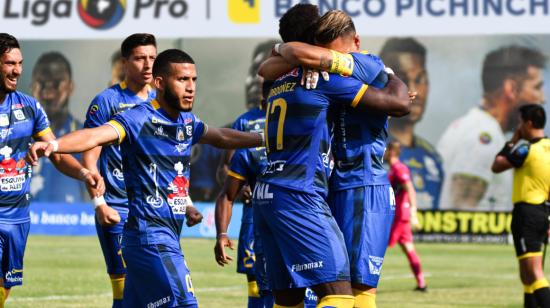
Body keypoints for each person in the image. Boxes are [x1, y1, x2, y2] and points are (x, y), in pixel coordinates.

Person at [27, 48, 264, 307]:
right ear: (160, 83)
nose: (190, 87)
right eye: (182, 79)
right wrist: (54, 145)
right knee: (185, 303)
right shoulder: (138, 118)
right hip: (152, 238)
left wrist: (266, 139)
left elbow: (221, 136)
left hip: (157, 237)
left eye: (193, 80)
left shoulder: (187, 121)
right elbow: (95, 135)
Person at [254, 6, 410, 308]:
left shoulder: (360, 64)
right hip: (317, 189)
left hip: (358, 183)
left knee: (311, 294)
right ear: (314, 43)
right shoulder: (320, 77)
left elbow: (398, 102)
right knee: (341, 293)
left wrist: (391, 76)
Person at [0, 33, 103, 306]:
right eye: (9, 63)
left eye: (20, 63)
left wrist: (83, 173)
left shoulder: (29, 107)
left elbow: (53, 151)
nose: (17, 70)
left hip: (17, 215)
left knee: (5, 286)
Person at [81, 33, 157, 308]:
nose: (148, 65)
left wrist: (186, 201)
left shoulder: (162, 100)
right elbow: (90, 154)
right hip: (117, 206)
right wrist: (99, 203)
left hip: (154, 209)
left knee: (154, 288)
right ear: (125, 62)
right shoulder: (107, 101)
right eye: (140, 58)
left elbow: (173, 158)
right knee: (123, 288)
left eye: (152, 58)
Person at [438, 46, 546, 210]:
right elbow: (460, 214)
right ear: (511, 88)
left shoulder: (472, 126)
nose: (542, 99)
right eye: (537, 88)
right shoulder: (484, 138)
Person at [214, 80, 273, 308]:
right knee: (255, 274)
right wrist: (244, 187)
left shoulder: (296, 122)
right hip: (254, 210)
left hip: (292, 211)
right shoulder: (245, 121)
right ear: (264, 98)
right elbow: (226, 168)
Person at [491, 104, 550, 308]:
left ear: (529, 123)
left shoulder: (526, 148)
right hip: (542, 212)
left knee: (534, 273)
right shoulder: (548, 148)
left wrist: (513, 141)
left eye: (520, 122)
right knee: (527, 275)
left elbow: (497, 165)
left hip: (527, 213)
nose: (518, 126)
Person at [380, 38, 444, 210]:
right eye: (403, 78)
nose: (414, 89)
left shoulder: (433, 158)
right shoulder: (371, 146)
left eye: (420, 78)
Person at [29, 51, 87, 203]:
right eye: (41, 84)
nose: (48, 93)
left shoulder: (87, 138)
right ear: (31, 87)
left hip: (74, 224)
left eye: (56, 84)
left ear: (70, 87)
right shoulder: (13, 135)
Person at [385, 141, 427, 292]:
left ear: (390, 152)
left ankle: (361, 282)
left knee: (379, 246)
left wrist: (413, 212)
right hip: (399, 216)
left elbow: (410, 189)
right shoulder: (392, 170)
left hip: (399, 216)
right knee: (409, 249)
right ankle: (421, 283)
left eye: (385, 149)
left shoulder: (399, 168)